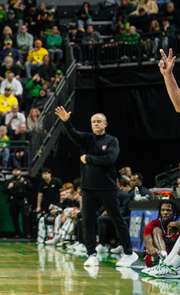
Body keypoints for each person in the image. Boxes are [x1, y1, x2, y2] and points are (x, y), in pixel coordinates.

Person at [54, 106, 138, 268]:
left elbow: (109, 159)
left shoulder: (112, 141)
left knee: (117, 219)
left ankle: (129, 253)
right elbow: (73, 134)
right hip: (87, 188)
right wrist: (66, 122)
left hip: (107, 187)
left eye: (99, 121)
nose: (96, 124)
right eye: (93, 122)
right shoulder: (86, 139)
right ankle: (91, 254)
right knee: (87, 221)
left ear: (105, 124)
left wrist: (88, 158)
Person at [3, 167, 33, 238]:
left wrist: (26, 184)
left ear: (20, 171)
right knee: (14, 218)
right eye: (14, 170)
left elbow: (31, 188)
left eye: (17, 170)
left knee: (25, 217)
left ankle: (27, 233)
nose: (15, 172)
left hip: (23, 200)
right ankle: (17, 233)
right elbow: (4, 191)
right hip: (14, 200)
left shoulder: (24, 180)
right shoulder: (10, 181)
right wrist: (8, 187)